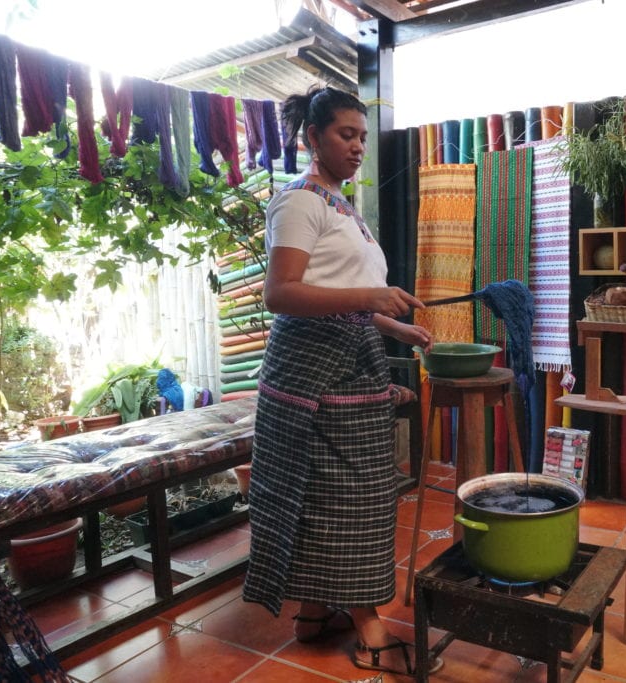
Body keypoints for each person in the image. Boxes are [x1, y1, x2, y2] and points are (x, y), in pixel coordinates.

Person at [242, 85, 439, 678]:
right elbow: (282, 293)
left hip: (347, 361)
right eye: (344, 135)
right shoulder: (299, 203)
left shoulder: (340, 206)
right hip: (312, 372)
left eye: (360, 136)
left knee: (330, 492)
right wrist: (372, 296)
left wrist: (391, 326)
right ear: (312, 139)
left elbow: (336, 295)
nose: (357, 147)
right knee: (351, 494)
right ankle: (365, 618)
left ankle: (309, 612)